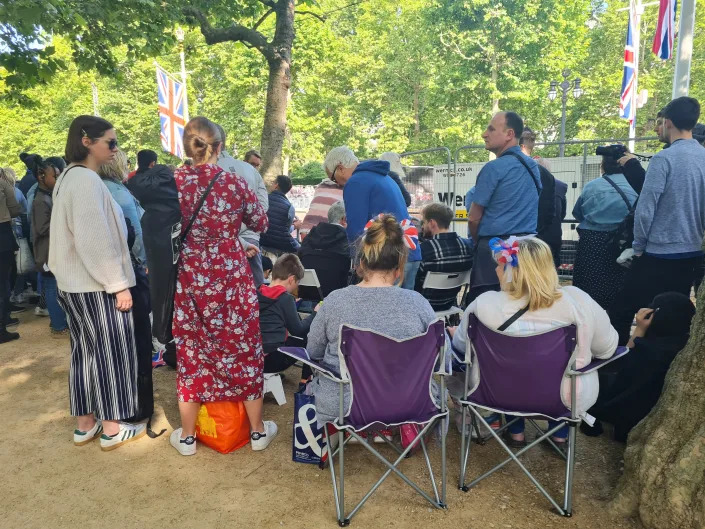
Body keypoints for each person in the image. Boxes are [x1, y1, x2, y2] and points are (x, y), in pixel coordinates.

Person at [170, 116, 274, 456]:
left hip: (191, 275)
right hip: (229, 274)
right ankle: (257, 431)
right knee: (243, 346)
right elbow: (260, 220)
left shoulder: (174, 183)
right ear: (218, 147)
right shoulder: (233, 182)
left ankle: (187, 437)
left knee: (192, 350)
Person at [450, 237, 617, 447]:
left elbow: (460, 349)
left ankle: (516, 432)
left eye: (501, 267)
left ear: (514, 272)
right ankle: (559, 436)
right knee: (558, 369)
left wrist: (456, 333)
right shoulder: (578, 301)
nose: (496, 272)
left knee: (513, 367)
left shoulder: (483, 305)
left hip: (496, 394)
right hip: (564, 400)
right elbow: (607, 349)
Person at [49, 115, 145, 450]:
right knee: (111, 353)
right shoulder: (86, 181)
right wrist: (117, 283)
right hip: (94, 285)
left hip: (73, 283)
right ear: (87, 141)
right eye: (111, 142)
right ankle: (113, 427)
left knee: (84, 353)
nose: (115, 149)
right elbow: (94, 240)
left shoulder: (68, 178)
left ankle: (86, 424)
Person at [306, 214, 440, 430]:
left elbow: (313, 351)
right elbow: (443, 357)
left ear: (360, 263)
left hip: (347, 405)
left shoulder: (335, 301)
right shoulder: (419, 304)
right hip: (410, 402)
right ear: (399, 267)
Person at [610, 97, 705, 345]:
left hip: (658, 252)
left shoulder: (664, 159)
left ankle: (617, 363)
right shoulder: (702, 156)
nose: (656, 128)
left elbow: (646, 208)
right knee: (670, 316)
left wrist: (638, 247)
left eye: (659, 123)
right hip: (690, 253)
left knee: (621, 310)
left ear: (669, 122)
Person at [584, 292, 695, 442]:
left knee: (597, 375)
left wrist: (639, 329)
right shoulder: (687, 347)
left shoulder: (647, 350)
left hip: (627, 415)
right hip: (652, 415)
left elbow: (621, 361)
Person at [466, 112, 541, 303]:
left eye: (491, 129)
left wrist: (478, 242)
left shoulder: (493, 168)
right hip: (527, 250)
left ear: (509, 134)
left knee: (485, 308)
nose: (484, 134)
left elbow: (474, 218)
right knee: (521, 305)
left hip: (494, 251)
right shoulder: (533, 167)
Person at [323, 146, 421, 289]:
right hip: (410, 254)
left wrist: (358, 262)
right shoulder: (385, 178)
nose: (336, 183)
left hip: (386, 260)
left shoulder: (355, 182)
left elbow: (356, 228)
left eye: (333, 178)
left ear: (340, 168)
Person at [125, 149, 179, 362]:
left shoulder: (134, 192)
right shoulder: (176, 203)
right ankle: (167, 341)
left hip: (149, 261)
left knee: (155, 298)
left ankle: (161, 338)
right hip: (171, 260)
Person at [572, 153, 637, 310]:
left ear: (603, 165)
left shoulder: (592, 186)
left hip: (592, 244)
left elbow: (578, 213)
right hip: (623, 245)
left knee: (588, 293)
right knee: (619, 295)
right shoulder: (636, 186)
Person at [215, 124, 269, 287]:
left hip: (218, 245)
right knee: (254, 292)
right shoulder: (250, 171)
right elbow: (262, 208)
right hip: (249, 239)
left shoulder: (199, 174)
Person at [257, 253, 317, 386]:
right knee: (308, 337)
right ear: (291, 279)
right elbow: (298, 330)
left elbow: (273, 312)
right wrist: (315, 313)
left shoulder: (259, 291)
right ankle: (306, 379)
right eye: (297, 283)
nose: (296, 287)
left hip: (255, 357)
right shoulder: (285, 298)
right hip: (272, 360)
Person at [30, 157, 69, 336]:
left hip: (54, 249)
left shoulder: (48, 195)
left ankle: (59, 321)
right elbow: (42, 227)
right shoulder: (40, 201)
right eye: (55, 176)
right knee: (52, 286)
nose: (58, 179)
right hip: (46, 252)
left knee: (55, 286)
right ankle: (58, 324)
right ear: (41, 177)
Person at [414, 203, 473, 311]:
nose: (422, 226)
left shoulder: (425, 249)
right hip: (449, 305)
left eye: (424, 222)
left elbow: (415, 281)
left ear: (432, 223)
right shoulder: (467, 246)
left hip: (423, 307)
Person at [520, 127, 566, 265]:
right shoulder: (551, 179)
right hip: (545, 236)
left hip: (526, 238)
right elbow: (554, 212)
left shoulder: (518, 170)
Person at [98, 149, 147, 266]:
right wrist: (143, 260)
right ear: (118, 165)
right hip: (128, 261)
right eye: (126, 163)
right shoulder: (118, 193)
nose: (127, 167)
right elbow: (136, 233)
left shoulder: (101, 186)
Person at [298, 200, 351, 297]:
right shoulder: (347, 240)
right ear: (344, 219)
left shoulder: (310, 236)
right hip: (335, 295)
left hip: (305, 293)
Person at [0, 167, 22, 343]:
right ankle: (2, 324)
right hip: (2, 235)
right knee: (3, 281)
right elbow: (15, 209)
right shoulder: (3, 183)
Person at [260, 175, 301, 253]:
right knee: (301, 250)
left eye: (273, 182)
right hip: (281, 243)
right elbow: (285, 230)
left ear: (276, 185)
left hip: (262, 240)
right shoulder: (289, 207)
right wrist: (295, 226)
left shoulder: (263, 199)